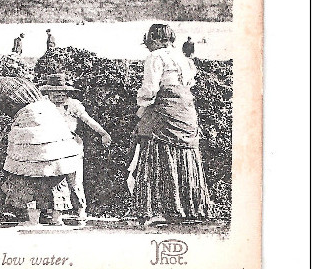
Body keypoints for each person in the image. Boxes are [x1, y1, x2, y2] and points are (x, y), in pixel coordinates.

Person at [129, 23, 212, 226]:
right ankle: (189, 207)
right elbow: (189, 84)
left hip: (164, 110)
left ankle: (158, 208)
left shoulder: (155, 57)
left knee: (156, 149)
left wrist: (141, 108)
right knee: (184, 151)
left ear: (155, 40)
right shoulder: (183, 58)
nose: (148, 46)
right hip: (186, 111)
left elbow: (149, 89)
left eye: (149, 41)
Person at [0, 76, 81, 226]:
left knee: (28, 176)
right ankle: (55, 219)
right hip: (48, 122)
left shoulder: (2, 88)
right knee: (55, 174)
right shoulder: (23, 87)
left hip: (32, 123)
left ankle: (35, 220)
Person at [39, 73, 112, 227]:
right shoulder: (43, 105)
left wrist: (103, 133)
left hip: (71, 145)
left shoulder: (73, 105)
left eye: (62, 92)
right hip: (50, 145)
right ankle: (54, 214)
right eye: (55, 91)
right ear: (48, 92)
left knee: (74, 180)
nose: (59, 95)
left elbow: (88, 120)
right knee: (53, 180)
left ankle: (80, 212)